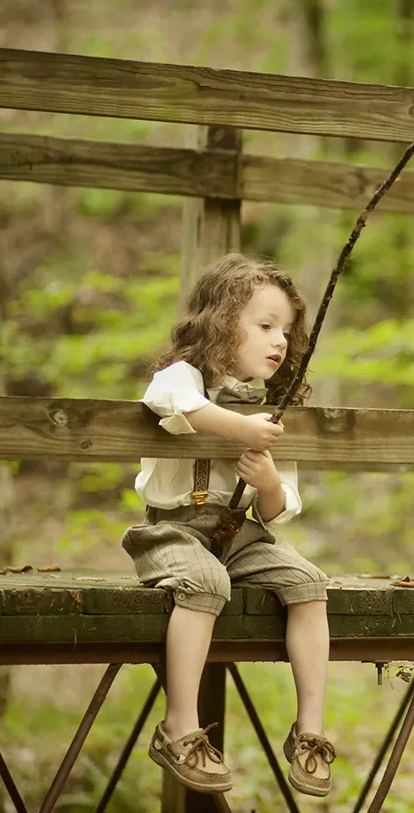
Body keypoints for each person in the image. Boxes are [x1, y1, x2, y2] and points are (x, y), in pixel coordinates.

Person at [122, 254, 335, 797]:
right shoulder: (183, 376)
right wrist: (240, 428)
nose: (279, 341)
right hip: (174, 531)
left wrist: (264, 480)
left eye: (285, 330)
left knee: (308, 583)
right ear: (221, 325)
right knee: (206, 584)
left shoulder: (273, 406)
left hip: (242, 538)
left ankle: (309, 730)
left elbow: (278, 508)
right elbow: (173, 404)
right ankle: (180, 727)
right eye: (264, 326)